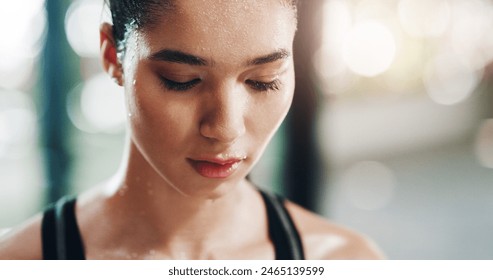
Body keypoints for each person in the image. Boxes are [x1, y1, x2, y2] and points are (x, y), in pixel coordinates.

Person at [0, 0, 383, 260]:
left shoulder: (345, 261)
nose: (225, 128)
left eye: (263, 81)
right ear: (113, 56)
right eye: (182, 80)